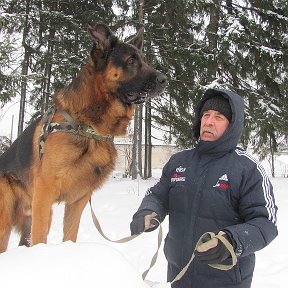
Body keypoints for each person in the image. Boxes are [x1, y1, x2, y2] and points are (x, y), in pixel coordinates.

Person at [130, 88, 278, 288]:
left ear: (232, 125)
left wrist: (232, 241)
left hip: (227, 279)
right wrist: (149, 211)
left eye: (218, 117)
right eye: (206, 115)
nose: (208, 121)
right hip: (178, 274)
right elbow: (158, 195)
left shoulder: (247, 168)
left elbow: (265, 222)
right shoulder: (179, 161)